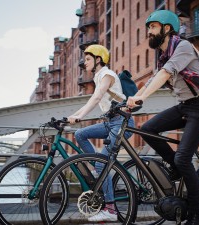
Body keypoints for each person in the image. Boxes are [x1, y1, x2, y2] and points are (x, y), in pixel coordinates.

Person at [127, 10, 199, 225]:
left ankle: (198, 217)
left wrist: (141, 99)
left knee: (183, 157)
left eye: (153, 27)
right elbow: (153, 80)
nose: (149, 31)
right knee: (147, 128)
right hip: (186, 106)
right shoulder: (162, 55)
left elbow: (166, 74)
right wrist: (134, 99)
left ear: (167, 29)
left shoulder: (183, 47)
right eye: (148, 28)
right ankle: (176, 167)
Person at [68, 44, 135, 222]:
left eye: (88, 59)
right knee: (80, 134)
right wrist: (74, 116)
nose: (85, 62)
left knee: (101, 165)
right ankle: (99, 168)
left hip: (121, 124)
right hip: (110, 123)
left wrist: (80, 116)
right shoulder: (99, 77)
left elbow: (96, 98)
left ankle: (111, 210)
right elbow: (93, 99)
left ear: (99, 60)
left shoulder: (107, 75)